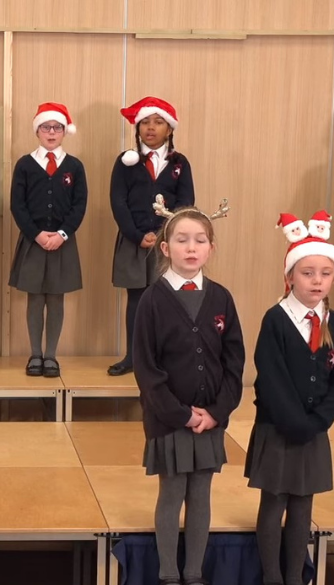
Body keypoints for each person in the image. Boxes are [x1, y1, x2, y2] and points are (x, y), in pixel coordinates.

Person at [134, 204, 244, 585]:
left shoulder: (222, 299)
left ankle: (194, 574)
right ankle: (168, 575)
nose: (191, 247)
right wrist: (182, 414)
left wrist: (216, 411)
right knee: (172, 493)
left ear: (211, 248)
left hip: (210, 421)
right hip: (171, 419)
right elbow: (147, 369)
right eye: (182, 240)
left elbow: (235, 363)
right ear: (166, 247)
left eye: (200, 240)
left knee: (201, 495)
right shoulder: (152, 300)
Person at [248, 212, 334, 585]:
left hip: (312, 432)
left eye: (325, 273)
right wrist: (295, 422)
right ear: (291, 276)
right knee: (274, 505)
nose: (317, 280)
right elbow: (269, 377)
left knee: (303, 507)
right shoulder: (276, 320)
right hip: (279, 428)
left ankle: (295, 580)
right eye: (308, 272)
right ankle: (272, 581)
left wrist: (318, 422)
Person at [109, 96, 195, 376]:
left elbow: (186, 202)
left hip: (167, 244)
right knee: (136, 299)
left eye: (158, 122)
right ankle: (132, 357)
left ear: (169, 129)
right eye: (145, 122)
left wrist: (165, 237)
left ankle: (161, 358)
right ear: (137, 127)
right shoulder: (126, 161)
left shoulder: (180, 162)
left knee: (165, 299)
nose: (151, 127)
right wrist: (136, 234)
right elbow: (118, 201)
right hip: (134, 240)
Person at [9, 102, 87, 377]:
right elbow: (18, 205)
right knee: (35, 297)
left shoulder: (74, 166)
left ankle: (51, 355)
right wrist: (37, 234)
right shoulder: (25, 164)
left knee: (56, 298)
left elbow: (79, 205)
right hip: (34, 240)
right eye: (46, 127)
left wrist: (62, 234)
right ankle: (35, 354)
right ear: (37, 131)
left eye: (57, 128)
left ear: (64, 131)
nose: (51, 133)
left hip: (62, 242)